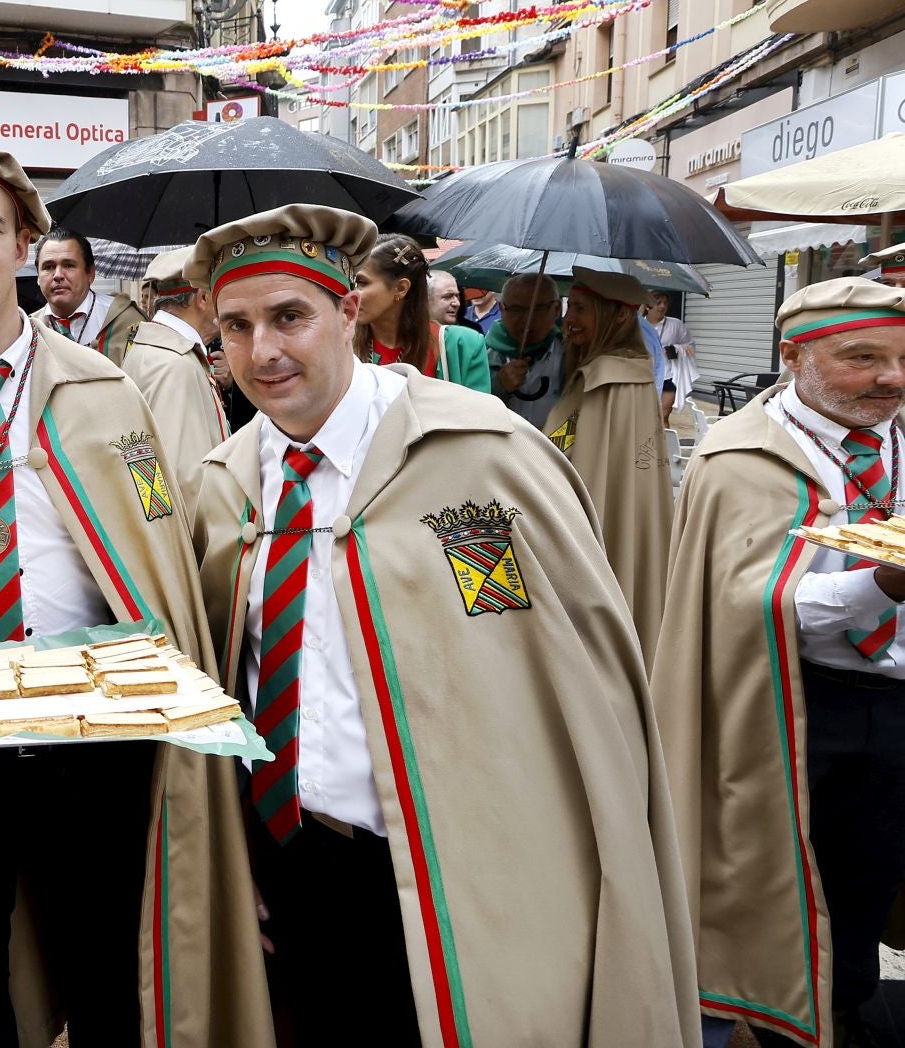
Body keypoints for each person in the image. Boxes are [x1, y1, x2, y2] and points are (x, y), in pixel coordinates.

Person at [187, 209, 697, 1047]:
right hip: (288, 856)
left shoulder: (473, 459)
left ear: (349, 310)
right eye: (236, 326)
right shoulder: (229, 481)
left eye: (289, 317)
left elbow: (538, 663)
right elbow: (223, 681)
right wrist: (233, 853)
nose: (263, 352)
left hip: (448, 864)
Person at [0, 140, 269, 1047]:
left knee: (106, 969)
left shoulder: (106, 395)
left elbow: (150, 550)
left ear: (26, 241)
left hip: (91, 738)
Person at [656, 278, 905, 1048]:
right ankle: (771, 1017)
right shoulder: (738, 457)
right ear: (794, 356)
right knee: (775, 877)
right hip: (784, 706)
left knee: (871, 878)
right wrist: (883, 584)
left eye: (901, 358)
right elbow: (750, 609)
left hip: (895, 706)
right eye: (862, 357)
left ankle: (850, 1010)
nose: (890, 378)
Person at [544, 267, 673, 660]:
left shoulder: (608, 377)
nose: (569, 320)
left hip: (595, 518)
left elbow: (562, 450)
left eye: (581, 309)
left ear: (618, 315)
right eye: (569, 307)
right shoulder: (622, 370)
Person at [120, 246, 228, 509]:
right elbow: (183, 485)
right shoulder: (175, 365)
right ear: (202, 298)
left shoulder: (157, 351)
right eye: (222, 293)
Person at [352, 234, 490, 391]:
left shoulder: (463, 346)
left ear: (401, 288)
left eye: (361, 283)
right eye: (351, 282)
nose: (351, 293)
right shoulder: (343, 343)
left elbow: (477, 413)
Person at [31, 227, 143, 364]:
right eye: (49, 267)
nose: (58, 275)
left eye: (68, 265)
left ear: (90, 273)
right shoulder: (27, 330)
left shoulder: (126, 320)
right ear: (38, 277)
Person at [488, 272, 566, 427]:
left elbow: (578, 415)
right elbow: (471, 413)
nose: (528, 319)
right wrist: (499, 386)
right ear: (501, 308)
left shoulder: (571, 354)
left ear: (556, 308)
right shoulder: (481, 354)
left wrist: (558, 446)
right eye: (516, 309)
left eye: (538, 309)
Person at [648, 291, 699, 426]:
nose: (662, 306)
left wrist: (677, 349)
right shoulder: (639, 325)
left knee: (663, 415)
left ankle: (664, 446)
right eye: (658, 303)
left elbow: (690, 345)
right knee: (646, 416)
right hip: (646, 376)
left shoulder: (675, 324)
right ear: (648, 305)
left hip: (669, 375)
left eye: (665, 303)